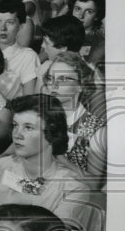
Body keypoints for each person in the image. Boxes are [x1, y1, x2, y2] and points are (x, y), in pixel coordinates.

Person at [0, 94, 88, 231]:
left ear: (51, 134)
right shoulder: (2, 167)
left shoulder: (73, 188)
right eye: (15, 125)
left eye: (28, 127)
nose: (17, 134)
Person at [41, 52, 105, 183]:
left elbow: (94, 185)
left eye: (63, 79)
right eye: (50, 78)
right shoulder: (40, 117)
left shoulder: (96, 130)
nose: (54, 85)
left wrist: (59, 157)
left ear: (81, 85)